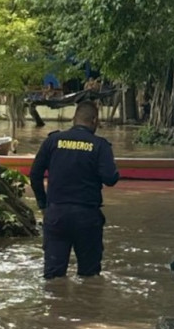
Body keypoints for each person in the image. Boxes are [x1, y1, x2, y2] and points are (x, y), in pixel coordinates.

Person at [29, 101, 119, 279]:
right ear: (94, 120)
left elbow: (34, 174)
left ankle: (54, 306)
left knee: (53, 278)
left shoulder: (53, 141)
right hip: (87, 216)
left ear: (73, 119)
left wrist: (43, 204)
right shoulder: (99, 145)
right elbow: (110, 179)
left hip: (56, 215)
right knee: (90, 276)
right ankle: (86, 306)